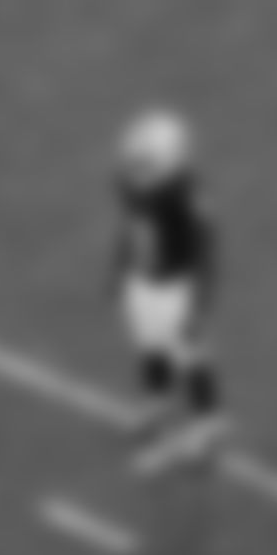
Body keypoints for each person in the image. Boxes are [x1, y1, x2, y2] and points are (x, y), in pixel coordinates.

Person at [110, 109, 221, 418]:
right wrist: (120, 269)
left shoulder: (185, 199)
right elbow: (130, 230)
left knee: (189, 354)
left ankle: (209, 423)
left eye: (146, 161)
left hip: (175, 287)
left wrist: (199, 299)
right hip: (142, 279)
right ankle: (156, 400)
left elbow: (203, 252)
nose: (137, 167)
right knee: (148, 345)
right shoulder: (136, 189)